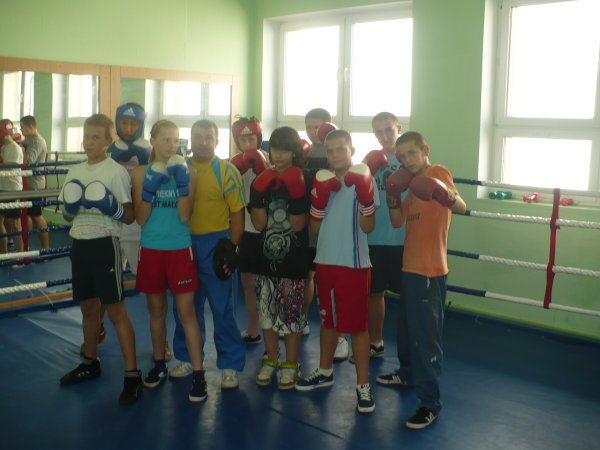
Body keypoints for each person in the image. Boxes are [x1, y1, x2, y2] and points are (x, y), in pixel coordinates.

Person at [378, 131, 466, 429]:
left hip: (430, 270)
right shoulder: (412, 184)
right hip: (410, 267)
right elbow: (397, 222)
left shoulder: (436, 172)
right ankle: (407, 374)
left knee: (425, 339)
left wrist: (444, 193)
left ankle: (430, 403)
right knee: (406, 329)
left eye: (412, 153)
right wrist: (392, 196)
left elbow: (460, 206)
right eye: (402, 156)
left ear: (425, 149)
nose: (407, 160)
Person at [57, 113, 142, 405]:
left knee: (116, 312)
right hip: (79, 244)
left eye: (96, 137)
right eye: (86, 136)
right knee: (88, 309)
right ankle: (90, 362)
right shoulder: (74, 171)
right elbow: (67, 216)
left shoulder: (115, 172)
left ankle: (132, 375)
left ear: (108, 140)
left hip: (105, 245)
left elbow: (129, 216)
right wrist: (72, 206)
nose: (89, 141)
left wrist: (110, 206)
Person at [295, 129, 378, 414]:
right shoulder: (322, 181)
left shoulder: (364, 179)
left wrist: (366, 200)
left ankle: (363, 385)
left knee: (357, 327)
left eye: (341, 149)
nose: (335, 155)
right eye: (330, 150)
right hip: (325, 262)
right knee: (328, 322)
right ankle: (325, 371)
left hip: (354, 265)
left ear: (352, 150)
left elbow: (368, 227)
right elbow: (315, 229)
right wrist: (318, 204)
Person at [131, 120, 206, 402]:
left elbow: (184, 215)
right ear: (152, 140)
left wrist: (182, 185)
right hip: (151, 248)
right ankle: (159, 364)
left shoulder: (190, 172)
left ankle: (198, 374)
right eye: (166, 139)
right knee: (156, 311)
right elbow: (141, 218)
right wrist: (149, 190)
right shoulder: (139, 173)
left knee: (187, 313)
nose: (172, 145)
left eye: (176, 140)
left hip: (179, 249)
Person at [170, 119, 246, 390]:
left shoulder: (227, 172)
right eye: (198, 137)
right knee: (184, 308)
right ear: (191, 140)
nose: (203, 142)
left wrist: (232, 247)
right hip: (184, 244)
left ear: (216, 140)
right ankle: (187, 357)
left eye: (208, 137)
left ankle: (230, 364)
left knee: (222, 308)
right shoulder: (178, 170)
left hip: (216, 244)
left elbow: (238, 213)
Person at [104, 102, 173, 361]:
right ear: (118, 123)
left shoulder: (151, 150)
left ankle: (162, 343)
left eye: (134, 123)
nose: (129, 128)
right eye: (124, 123)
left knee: (153, 289)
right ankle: (97, 329)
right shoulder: (110, 150)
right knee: (106, 283)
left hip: (138, 226)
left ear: (141, 125)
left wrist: (144, 160)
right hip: (110, 223)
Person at [249, 126, 311, 390]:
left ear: (295, 151)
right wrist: (257, 194)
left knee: (291, 316)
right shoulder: (264, 178)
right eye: (275, 149)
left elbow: (298, 226)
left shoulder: (305, 178)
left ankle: (291, 363)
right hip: (265, 258)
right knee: (267, 314)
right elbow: (259, 224)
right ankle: (271, 359)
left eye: (286, 150)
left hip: (294, 259)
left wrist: (296, 192)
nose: (280, 155)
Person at [350, 112, 405, 363]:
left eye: (388, 130)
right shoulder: (368, 160)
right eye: (379, 131)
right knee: (375, 293)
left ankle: (410, 350)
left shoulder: (410, 159)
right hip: (373, 237)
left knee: (408, 296)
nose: (384, 136)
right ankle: (376, 342)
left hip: (405, 238)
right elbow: (354, 189)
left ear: (398, 128)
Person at [302, 108, 347, 360]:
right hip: (311, 223)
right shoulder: (304, 154)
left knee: (334, 285)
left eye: (317, 126)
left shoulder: (336, 154)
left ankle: (340, 337)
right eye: (308, 127)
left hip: (334, 225)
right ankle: (302, 320)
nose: (312, 132)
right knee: (307, 275)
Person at [229, 116, 268, 345]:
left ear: (259, 138)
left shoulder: (269, 160)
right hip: (243, 230)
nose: (247, 144)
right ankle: (253, 329)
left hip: (265, 230)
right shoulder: (233, 164)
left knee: (268, 284)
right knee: (247, 282)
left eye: (251, 139)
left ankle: (275, 330)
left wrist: (263, 169)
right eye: (242, 140)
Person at [19, 116, 50, 251]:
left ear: (30, 127)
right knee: (26, 215)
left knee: (37, 216)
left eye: (22, 127)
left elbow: (28, 161)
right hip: (27, 184)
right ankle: (26, 246)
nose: (20, 129)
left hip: (35, 185)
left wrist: (20, 149)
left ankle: (46, 248)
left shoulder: (37, 141)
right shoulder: (28, 139)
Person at [0, 119, 24, 259]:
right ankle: (4, 253)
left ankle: (20, 255)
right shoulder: (4, 147)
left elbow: (8, 168)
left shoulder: (15, 148)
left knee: (15, 224)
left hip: (13, 189)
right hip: (2, 188)